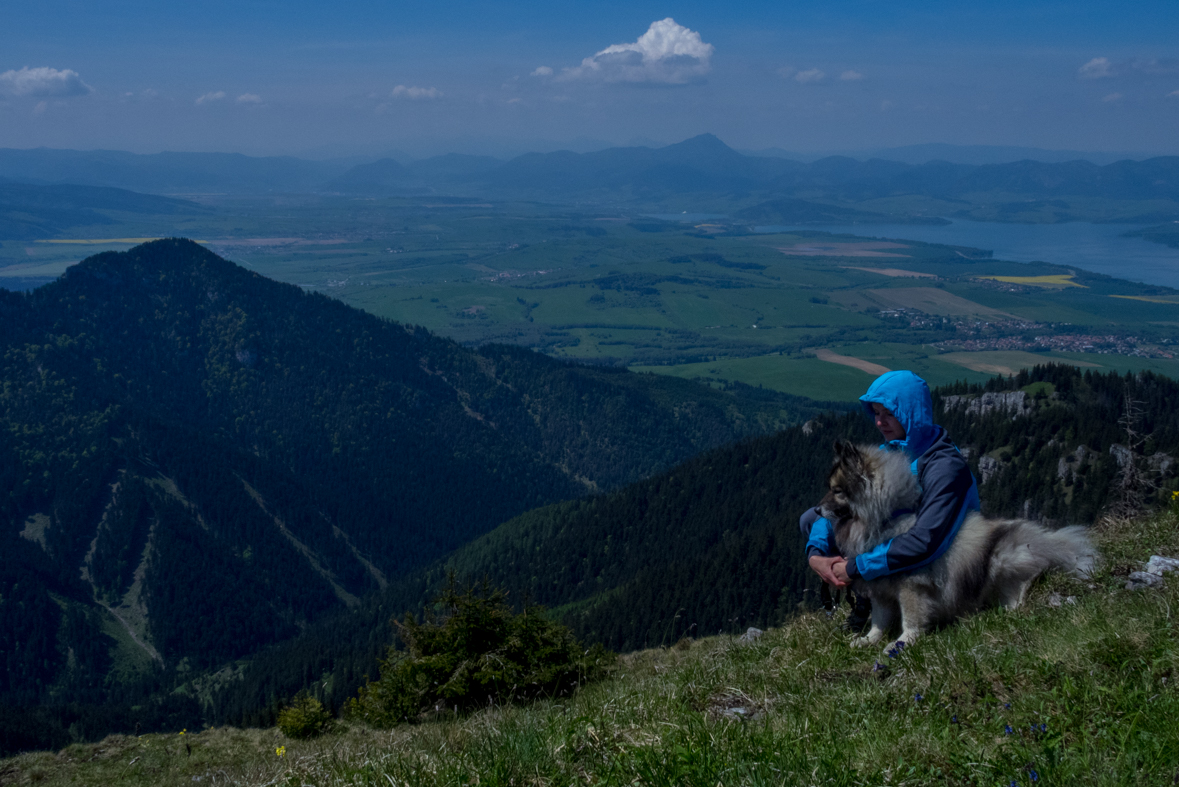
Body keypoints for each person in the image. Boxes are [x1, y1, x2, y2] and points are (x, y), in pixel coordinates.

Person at [799, 370, 980, 626]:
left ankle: (892, 607)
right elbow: (841, 509)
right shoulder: (891, 451)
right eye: (875, 413)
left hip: (944, 563)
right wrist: (816, 554)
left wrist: (855, 568)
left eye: (889, 413)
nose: (879, 422)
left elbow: (925, 540)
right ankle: (871, 598)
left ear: (911, 413)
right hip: (901, 550)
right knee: (812, 518)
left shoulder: (944, 466)